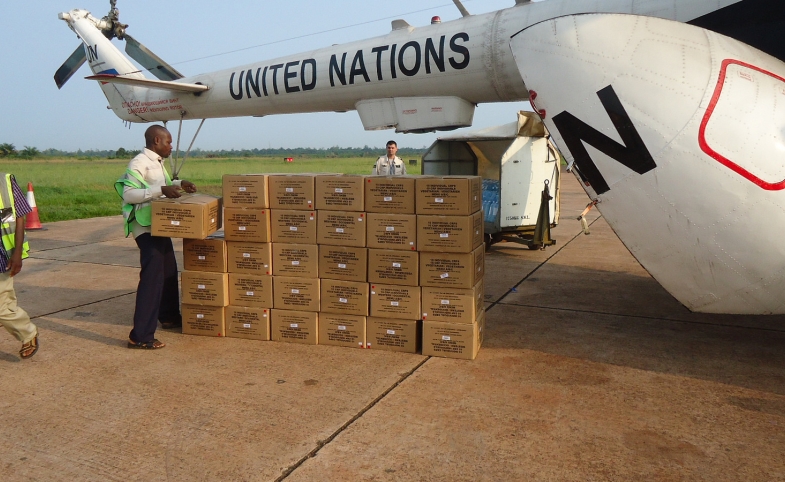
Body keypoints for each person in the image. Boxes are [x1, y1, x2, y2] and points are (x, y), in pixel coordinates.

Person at [115, 125, 197, 350]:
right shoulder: (139, 162)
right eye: (168, 142)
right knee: (152, 277)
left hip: (157, 224)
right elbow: (129, 194)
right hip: (143, 225)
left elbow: (162, 185)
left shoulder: (158, 162)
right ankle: (140, 335)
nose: (171, 146)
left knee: (169, 270)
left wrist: (181, 184)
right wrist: (161, 191)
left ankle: (169, 316)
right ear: (156, 141)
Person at [0, 172, 38, 359]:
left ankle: (27, 333)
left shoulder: (5, 181)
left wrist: (17, 253)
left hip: (2, 257)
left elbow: (20, 216)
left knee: (2, 306)